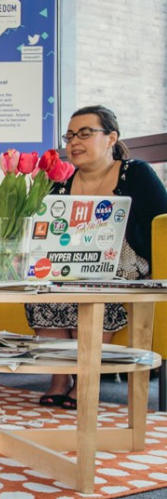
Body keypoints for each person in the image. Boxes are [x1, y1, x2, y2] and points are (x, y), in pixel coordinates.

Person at [26, 105, 167, 409]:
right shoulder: (60, 182)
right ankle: (60, 378)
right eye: (70, 135)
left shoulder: (135, 173)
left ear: (111, 138)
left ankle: (86, 380)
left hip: (123, 265)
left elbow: (161, 223)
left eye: (85, 133)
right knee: (43, 291)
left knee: (96, 289)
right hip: (68, 262)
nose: (74, 142)